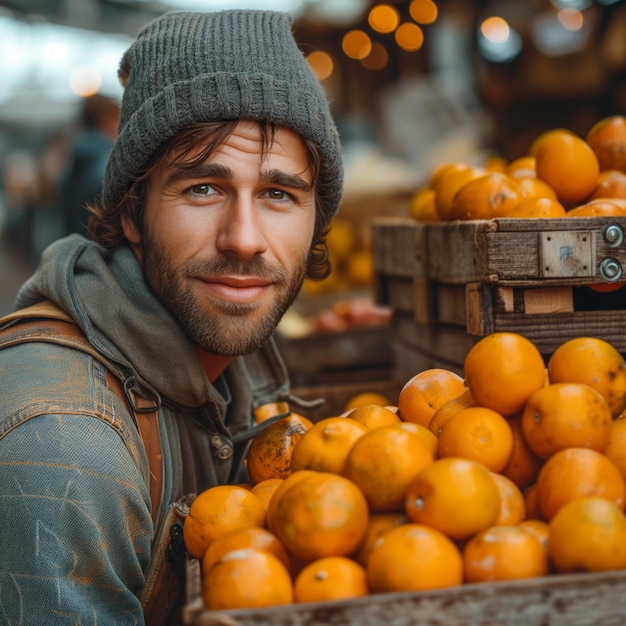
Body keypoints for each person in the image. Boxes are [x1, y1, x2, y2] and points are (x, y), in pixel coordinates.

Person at [0, 9, 343, 626]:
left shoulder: (228, 344)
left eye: (278, 194)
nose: (244, 239)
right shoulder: (69, 451)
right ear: (131, 213)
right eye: (203, 189)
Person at [60, 93, 120, 237]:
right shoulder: (105, 159)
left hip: (77, 242)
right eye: (115, 117)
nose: (119, 124)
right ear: (103, 120)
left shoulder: (77, 150)